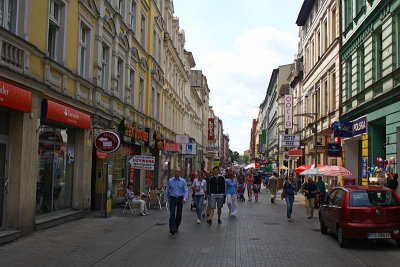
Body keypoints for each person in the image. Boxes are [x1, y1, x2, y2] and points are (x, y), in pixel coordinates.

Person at [163, 168, 188, 235]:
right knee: (172, 213)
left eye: (178, 172)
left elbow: (186, 190)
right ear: (174, 173)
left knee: (179, 214)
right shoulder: (170, 180)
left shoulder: (183, 181)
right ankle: (172, 228)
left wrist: (184, 198)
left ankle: (176, 226)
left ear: (180, 173)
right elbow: (167, 190)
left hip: (180, 198)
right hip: (173, 198)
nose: (177, 173)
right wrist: (164, 200)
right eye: (176, 172)